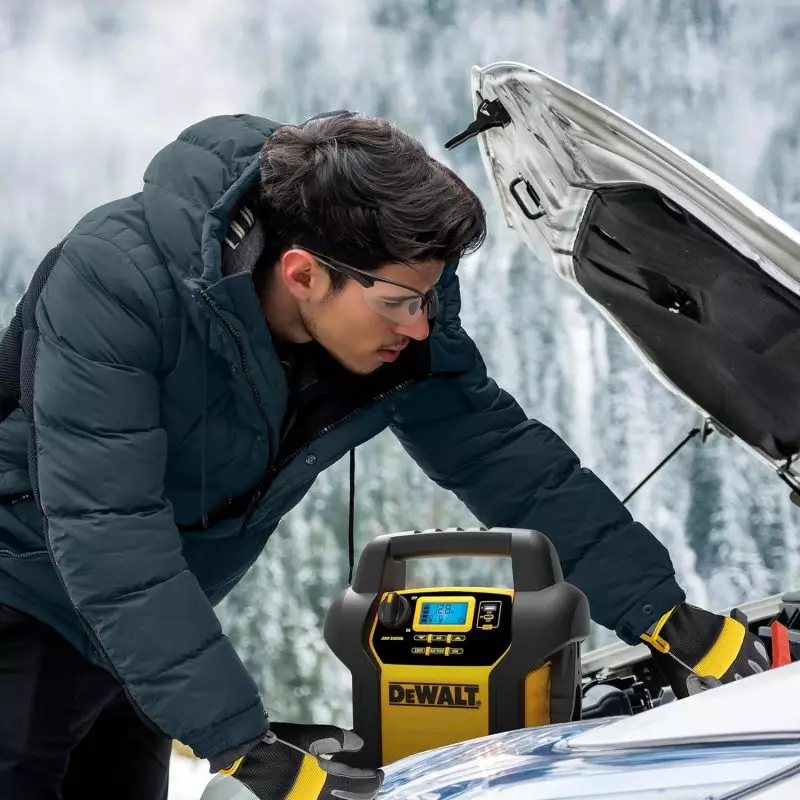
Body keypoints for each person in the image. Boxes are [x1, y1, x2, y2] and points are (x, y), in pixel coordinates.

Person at [0, 111, 770, 800]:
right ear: (305, 274)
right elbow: (110, 535)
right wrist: (242, 744)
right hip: (23, 601)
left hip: (147, 630)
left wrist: (667, 615)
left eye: (430, 298)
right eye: (403, 302)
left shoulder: (395, 302)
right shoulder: (118, 284)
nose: (424, 325)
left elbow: (502, 456)